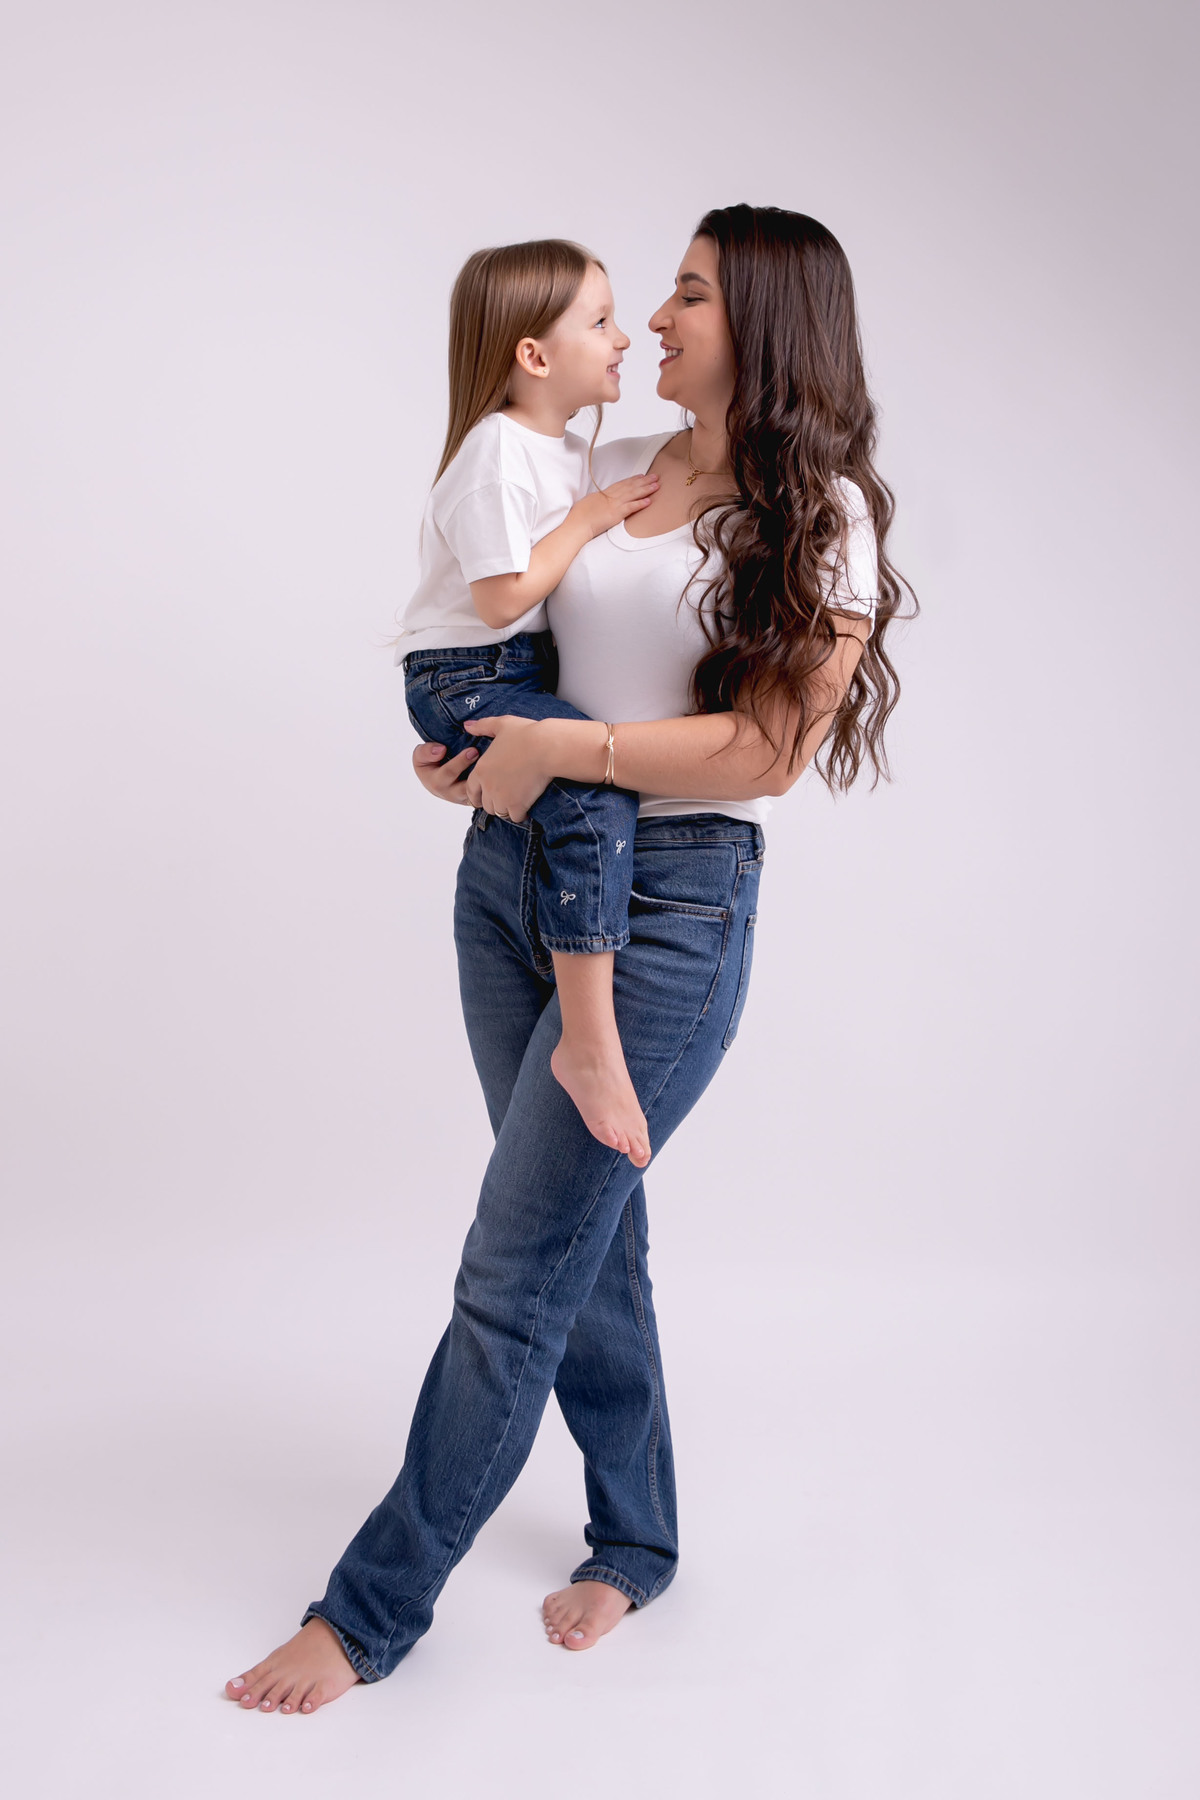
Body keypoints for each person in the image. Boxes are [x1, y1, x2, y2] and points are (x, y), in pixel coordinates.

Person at [225, 204, 909, 1716]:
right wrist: (477, 762)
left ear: (767, 324)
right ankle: (639, 1539)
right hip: (510, 881)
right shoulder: (613, 467)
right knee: (592, 1242)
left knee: (513, 1271)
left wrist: (571, 752)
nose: (656, 319)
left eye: (689, 295)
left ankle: (367, 1615)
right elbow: (506, 632)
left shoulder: (823, 515)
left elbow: (770, 752)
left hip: (670, 909)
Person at [400, 239, 660, 1166]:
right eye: (602, 321)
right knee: (592, 795)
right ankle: (586, 1043)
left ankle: (578, 1024)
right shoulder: (496, 450)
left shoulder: (562, 450)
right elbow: (501, 598)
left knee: (578, 790)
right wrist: (589, 519)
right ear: (534, 356)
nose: (624, 338)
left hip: (512, 666)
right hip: (470, 668)